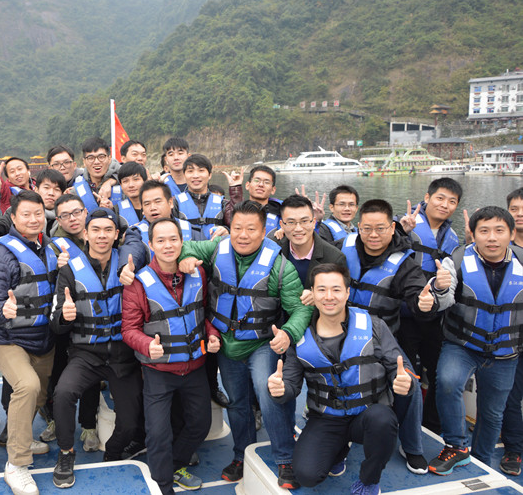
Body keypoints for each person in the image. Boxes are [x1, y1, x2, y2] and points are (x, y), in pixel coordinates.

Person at [178, 200, 313, 489]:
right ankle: (242, 454)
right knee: (237, 402)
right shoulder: (217, 248)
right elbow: (186, 246)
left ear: (263, 232)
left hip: (262, 343)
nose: (242, 235)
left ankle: (285, 458)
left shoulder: (281, 267)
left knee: (269, 394)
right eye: (237, 228)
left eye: (251, 229)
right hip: (227, 344)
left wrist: (288, 333)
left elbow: (301, 309)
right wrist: (186, 258)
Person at [269, 263, 416, 495]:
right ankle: (338, 452)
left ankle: (369, 481)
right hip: (326, 417)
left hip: (368, 415)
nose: (329, 296)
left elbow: (401, 367)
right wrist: (280, 389)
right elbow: (291, 385)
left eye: (336, 289)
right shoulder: (299, 335)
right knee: (306, 475)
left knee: (383, 420)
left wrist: (405, 381)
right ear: (312, 293)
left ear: (347, 293)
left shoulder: (374, 325)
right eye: (322, 289)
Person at [122, 218, 221, 494]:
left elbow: (203, 314)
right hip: (158, 372)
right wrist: (146, 345)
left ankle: (176, 465)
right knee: (158, 433)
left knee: (200, 424)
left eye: (173, 239)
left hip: (195, 367)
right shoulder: (137, 283)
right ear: (151, 245)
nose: (168, 245)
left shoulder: (198, 273)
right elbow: (129, 330)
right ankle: (163, 485)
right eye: (161, 240)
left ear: (182, 242)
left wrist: (212, 335)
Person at [340, 198, 435, 474]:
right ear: (358, 227)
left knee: (410, 382)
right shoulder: (343, 246)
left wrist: (424, 304)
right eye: (367, 228)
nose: (373, 235)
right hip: (339, 330)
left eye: (380, 228)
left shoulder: (404, 263)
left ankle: (412, 445)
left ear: (392, 228)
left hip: (379, 337)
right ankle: (335, 434)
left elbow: (417, 294)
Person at [50, 208, 143, 489]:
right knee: (63, 393)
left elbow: (140, 244)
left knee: (130, 423)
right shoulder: (69, 270)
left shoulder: (130, 264)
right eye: (96, 230)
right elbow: (56, 325)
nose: (102, 235)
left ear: (116, 235)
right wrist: (64, 317)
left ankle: (113, 451)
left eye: (108, 230)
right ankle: (66, 452)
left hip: (123, 355)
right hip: (86, 354)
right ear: (86, 234)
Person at [430, 206, 523, 474]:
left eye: (499, 230)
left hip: (505, 352)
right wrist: (439, 288)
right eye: (484, 231)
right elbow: (443, 301)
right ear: (473, 234)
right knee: (448, 382)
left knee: (492, 413)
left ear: (511, 234)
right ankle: (456, 446)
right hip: (462, 345)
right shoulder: (456, 260)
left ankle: (482, 460)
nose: (491, 237)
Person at [0, 191, 58, 495]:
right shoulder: (0, 255)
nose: (34, 219)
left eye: (38, 214)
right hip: (6, 340)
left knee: (38, 394)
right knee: (27, 385)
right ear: (13, 217)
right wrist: (3, 309)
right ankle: (16, 464)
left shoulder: (49, 248)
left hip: (41, 338)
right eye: (26, 214)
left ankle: (21, 438)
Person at [397, 177, 462, 434]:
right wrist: (402, 232)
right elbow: (383, 249)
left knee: (435, 370)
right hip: (405, 312)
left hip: (434, 315)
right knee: (405, 370)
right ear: (427, 198)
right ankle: (401, 422)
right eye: (440, 198)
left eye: (452, 201)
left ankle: (430, 424)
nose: (445, 205)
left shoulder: (452, 237)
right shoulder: (406, 223)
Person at [38, 194, 102, 451]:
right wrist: (57, 268)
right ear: (58, 220)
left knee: (91, 370)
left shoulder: (101, 235)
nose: (72, 219)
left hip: (94, 317)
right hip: (62, 315)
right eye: (65, 215)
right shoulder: (53, 246)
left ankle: (88, 424)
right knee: (58, 370)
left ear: (85, 211)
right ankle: (55, 420)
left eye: (76, 212)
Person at [276, 195, 348, 297]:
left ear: (314, 222)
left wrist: (318, 297)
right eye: (291, 222)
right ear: (282, 225)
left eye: (304, 221)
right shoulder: (274, 250)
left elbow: (340, 296)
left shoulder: (334, 258)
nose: (298, 228)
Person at [501, 188, 523, 476]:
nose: (520, 214)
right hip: (510, 338)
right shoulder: (497, 248)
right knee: (511, 395)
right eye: (515, 209)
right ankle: (514, 449)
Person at [174, 155, 232, 240]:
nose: (195, 176)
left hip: (215, 247)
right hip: (186, 247)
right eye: (190, 171)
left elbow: (237, 225)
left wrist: (227, 230)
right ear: (184, 175)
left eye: (201, 170)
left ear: (210, 175)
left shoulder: (223, 203)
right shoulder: (175, 203)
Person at [71, 137, 121, 212]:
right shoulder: (75, 191)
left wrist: (112, 210)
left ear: (109, 159)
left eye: (101, 157)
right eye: (91, 158)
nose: (96, 162)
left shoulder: (124, 183)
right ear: (84, 161)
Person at [245, 165, 282, 237]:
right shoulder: (237, 211)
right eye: (256, 180)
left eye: (267, 182)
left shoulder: (282, 212)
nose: (261, 185)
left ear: (273, 190)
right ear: (247, 185)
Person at [114, 162, 148, 227]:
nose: (131, 185)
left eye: (136, 179)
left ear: (145, 181)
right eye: (125, 181)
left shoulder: (155, 206)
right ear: (121, 185)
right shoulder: (116, 210)